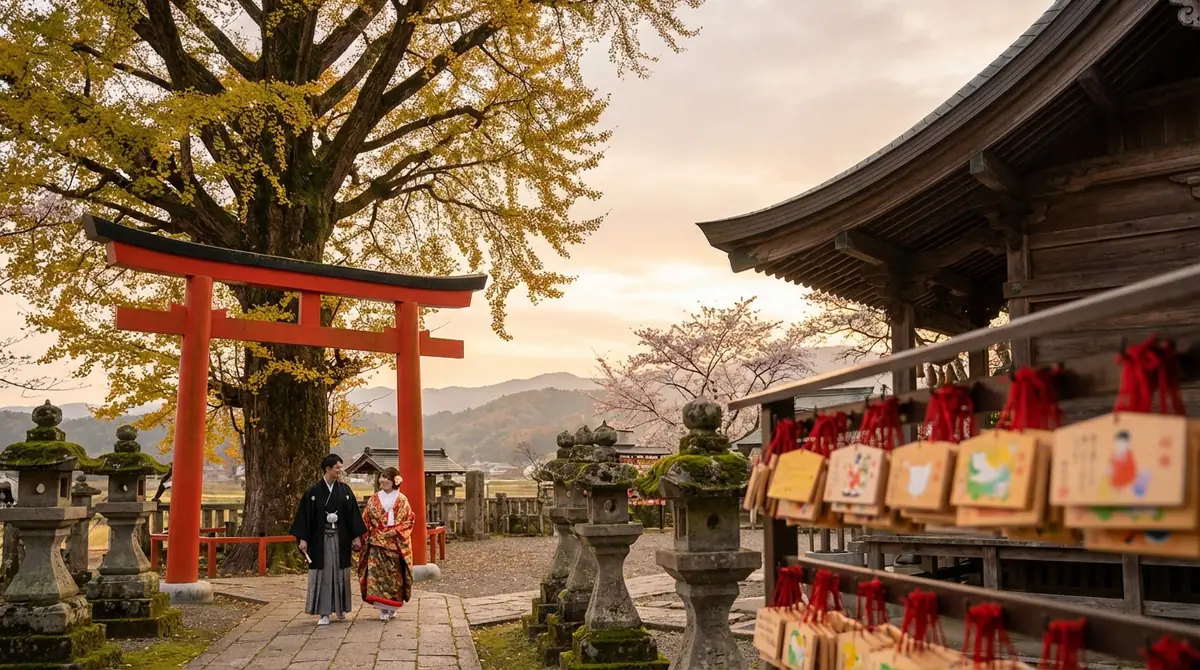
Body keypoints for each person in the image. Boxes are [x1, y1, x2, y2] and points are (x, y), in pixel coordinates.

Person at [289, 454, 367, 625]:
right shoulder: (313, 492)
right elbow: (305, 517)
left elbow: (353, 515)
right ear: (328, 469)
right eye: (337, 467)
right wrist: (303, 539)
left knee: (341, 573)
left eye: (340, 467)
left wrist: (356, 537)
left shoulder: (345, 491)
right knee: (323, 574)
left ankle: (341, 609)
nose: (340, 470)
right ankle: (323, 613)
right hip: (320, 540)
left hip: (341, 538)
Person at [357, 467, 415, 621]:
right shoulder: (374, 499)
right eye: (381, 478)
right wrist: (361, 536)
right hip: (376, 542)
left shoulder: (402, 499)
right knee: (377, 575)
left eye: (386, 478)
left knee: (394, 576)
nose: (382, 480)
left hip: (394, 543)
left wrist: (394, 531)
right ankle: (383, 609)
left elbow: (408, 520)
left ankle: (393, 605)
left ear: (395, 481)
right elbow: (366, 520)